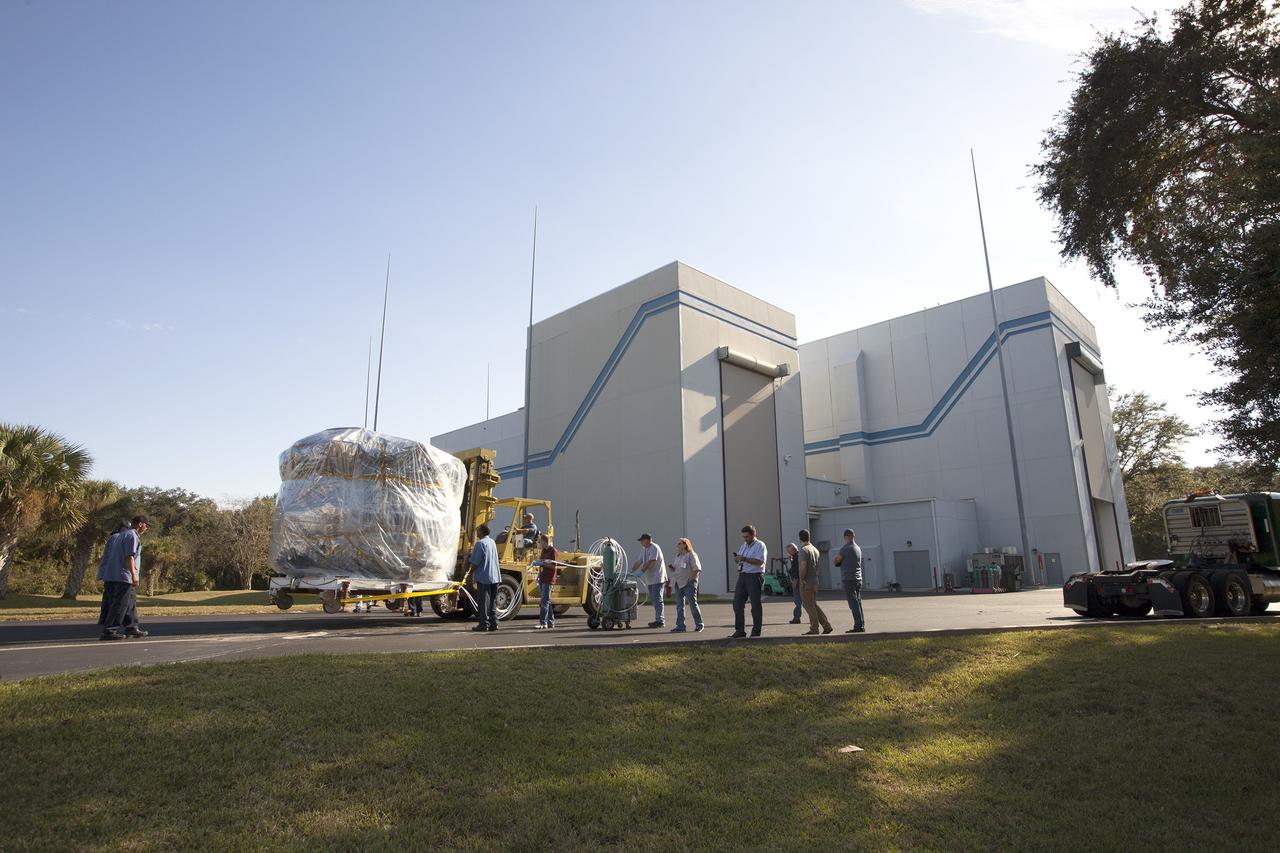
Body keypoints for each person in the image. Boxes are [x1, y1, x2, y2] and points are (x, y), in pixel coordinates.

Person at [99, 516, 151, 640]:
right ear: (140, 524)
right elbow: (130, 556)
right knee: (120, 604)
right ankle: (109, 630)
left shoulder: (120, 535)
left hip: (115, 574)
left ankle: (132, 627)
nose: (146, 528)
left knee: (130, 603)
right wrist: (134, 575)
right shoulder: (132, 536)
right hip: (123, 575)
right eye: (146, 525)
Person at [730, 524, 767, 638]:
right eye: (744, 537)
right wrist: (737, 559)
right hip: (743, 576)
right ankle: (740, 631)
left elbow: (760, 562)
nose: (745, 539)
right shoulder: (744, 546)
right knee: (737, 603)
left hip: (754, 576)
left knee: (755, 605)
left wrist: (744, 558)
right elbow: (740, 560)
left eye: (747, 536)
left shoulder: (760, 545)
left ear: (753, 535)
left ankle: (756, 632)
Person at [797, 529, 833, 635]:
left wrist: (801, 580)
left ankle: (814, 628)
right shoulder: (815, 549)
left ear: (800, 538)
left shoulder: (803, 550)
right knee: (813, 604)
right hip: (815, 581)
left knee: (808, 605)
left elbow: (803, 566)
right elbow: (817, 568)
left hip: (806, 582)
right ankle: (826, 625)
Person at [469, 523, 501, 632]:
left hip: (484, 577)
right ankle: (494, 622)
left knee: (483, 602)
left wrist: (470, 573)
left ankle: (483, 624)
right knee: (492, 601)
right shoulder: (492, 542)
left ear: (482, 532)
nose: (476, 532)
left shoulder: (480, 543)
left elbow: (475, 562)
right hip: (495, 576)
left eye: (478, 530)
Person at [668, 538, 704, 633]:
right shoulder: (678, 556)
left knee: (692, 604)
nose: (677, 545)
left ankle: (699, 625)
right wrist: (672, 568)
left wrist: (691, 579)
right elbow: (678, 569)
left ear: (685, 545)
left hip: (688, 583)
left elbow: (697, 569)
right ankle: (680, 626)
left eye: (679, 543)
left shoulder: (691, 555)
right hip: (678, 583)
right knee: (679, 605)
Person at [834, 528, 866, 633]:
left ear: (845, 537)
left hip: (848, 578)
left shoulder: (845, 548)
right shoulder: (858, 548)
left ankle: (858, 626)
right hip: (858, 578)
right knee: (858, 602)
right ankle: (861, 624)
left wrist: (835, 559)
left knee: (853, 603)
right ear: (853, 536)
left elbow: (836, 561)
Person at [634, 533, 666, 628]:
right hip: (650, 579)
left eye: (642, 540)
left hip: (657, 578)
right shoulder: (644, 549)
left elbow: (651, 561)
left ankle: (660, 620)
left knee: (657, 599)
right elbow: (639, 561)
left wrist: (641, 571)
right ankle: (658, 618)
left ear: (647, 540)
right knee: (653, 599)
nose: (641, 542)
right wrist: (631, 571)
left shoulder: (654, 548)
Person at [533, 533, 558, 629]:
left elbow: (554, 567)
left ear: (544, 542)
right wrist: (538, 576)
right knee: (547, 601)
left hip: (549, 579)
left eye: (540, 542)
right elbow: (541, 563)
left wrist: (543, 564)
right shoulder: (543, 551)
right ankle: (551, 622)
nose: (539, 544)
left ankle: (543, 623)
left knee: (544, 601)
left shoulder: (553, 551)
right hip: (542, 578)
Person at [786, 542, 802, 624]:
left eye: (789, 551)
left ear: (793, 550)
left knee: (798, 601)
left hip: (798, 581)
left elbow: (796, 570)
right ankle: (814, 617)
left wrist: (795, 581)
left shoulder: (796, 558)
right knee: (804, 602)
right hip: (800, 581)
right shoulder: (796, 557)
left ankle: (796, 618)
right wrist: (790, 559)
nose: (788, 553)